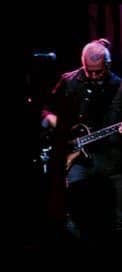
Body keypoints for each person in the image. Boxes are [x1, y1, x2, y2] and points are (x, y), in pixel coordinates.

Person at [41, 38, 122, 244]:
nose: (93, 76)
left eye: (99, 72)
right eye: (89, 71)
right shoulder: (69, 81)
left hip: (108, 155)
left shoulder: (118, 86)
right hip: (75, 155)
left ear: (108, 65)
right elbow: (45, 109)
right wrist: (51, 119)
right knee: (72, 204)